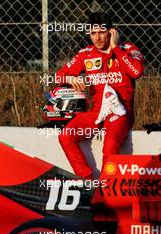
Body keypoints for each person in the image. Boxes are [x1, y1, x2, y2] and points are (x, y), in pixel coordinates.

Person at [55, 12, 144, 180]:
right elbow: (59, 76)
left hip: (120, 112)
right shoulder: (85, 54)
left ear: (111, 32)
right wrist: (70, 78)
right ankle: (87, 182)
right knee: (66, 136)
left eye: (101, 32)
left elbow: (136, 71)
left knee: (109, 145)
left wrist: (116, 48)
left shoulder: (128, 49)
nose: (97, 38)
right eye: (93, 33)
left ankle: (105, 188)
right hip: (96, 113)